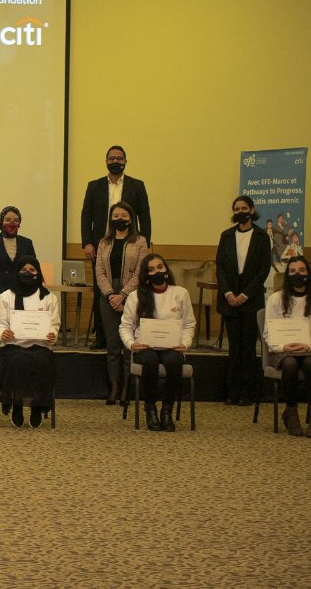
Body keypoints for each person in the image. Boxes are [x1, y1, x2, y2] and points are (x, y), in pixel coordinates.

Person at [80, 146, 152, 348]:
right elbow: (86, 215)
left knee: (130, 292)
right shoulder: (94, 186)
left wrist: (145, 244)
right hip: (102, 247)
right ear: (106, 161)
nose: (115, 161)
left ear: (125, 161)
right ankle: (101, 336)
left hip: (130, 246)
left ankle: (129, 335)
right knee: (101, 292)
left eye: (119, 158)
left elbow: (145, 216)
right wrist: (87, 243)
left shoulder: (137, 186)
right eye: (111, 158)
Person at [119, 253, 196, 431]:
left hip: (172, 346)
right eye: (152, 269)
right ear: (146, 275)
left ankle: (167, 410)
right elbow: (125, 326)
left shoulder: (180, 293)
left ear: (166, 269)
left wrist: (185, 344)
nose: (157, 272)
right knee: (150, 361)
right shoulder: (135, 296)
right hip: (144, 347)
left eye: (160, 267)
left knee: (174, 361)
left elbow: (189, 324)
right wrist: (132, 344)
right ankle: (150, 408)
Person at [216, 195, 272, 406]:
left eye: (244, 208)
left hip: (251, 300)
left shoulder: (261, 236)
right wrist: (228, 293)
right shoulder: (226, 236)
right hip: (229, 299)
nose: (240, 212)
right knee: (234, 348)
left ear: (252, 210)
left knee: (248, 348)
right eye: (236, 209)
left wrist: (245, 294)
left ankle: (247, 393)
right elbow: (220, 267)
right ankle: (232, 392)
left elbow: (263, 269)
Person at [0, 256, 60, 428]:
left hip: (40, 346)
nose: (28, 274)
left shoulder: (49, 298)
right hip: (12, 346)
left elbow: (54, 325)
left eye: (32, 270)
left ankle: (37, 406)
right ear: (17, 272)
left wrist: (52, 335)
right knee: (17, 360)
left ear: (39, 273)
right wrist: (3, 333)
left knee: (42, 361)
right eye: (23, 270)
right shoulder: (5, 297)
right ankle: (17, 405)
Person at [94, 202, 149, 404]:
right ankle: (114, 386)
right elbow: (99, 271)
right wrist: (111, 294)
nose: (120, 219)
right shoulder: (104, 242)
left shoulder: (140, 241)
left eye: (124, 215)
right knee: (113, 346)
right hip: (107, 296)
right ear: (111, 219)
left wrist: (123, 295)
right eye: (116, 215)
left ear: (131, 218)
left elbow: (141, 272)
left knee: (129, 345)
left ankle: (127, 387)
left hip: (132, 297)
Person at [262, 255, 310, 437]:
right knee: (290, 364)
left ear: (308, 273)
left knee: (310, 364)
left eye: (302, 270)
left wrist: (307, 345)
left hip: (308, 348)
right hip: (282, 350)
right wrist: (284, 346)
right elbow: (268, 333)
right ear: (287, 275)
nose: (297, 274)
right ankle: (291, 412)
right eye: (293, 271)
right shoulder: (276, 299)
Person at [0, 207, 36, 309]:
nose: (12, 223)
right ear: (1, 222)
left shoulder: (27, 243)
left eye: (15, 220)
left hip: (23, 298)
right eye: (8, 220)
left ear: (19, 223)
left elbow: (33, 270)